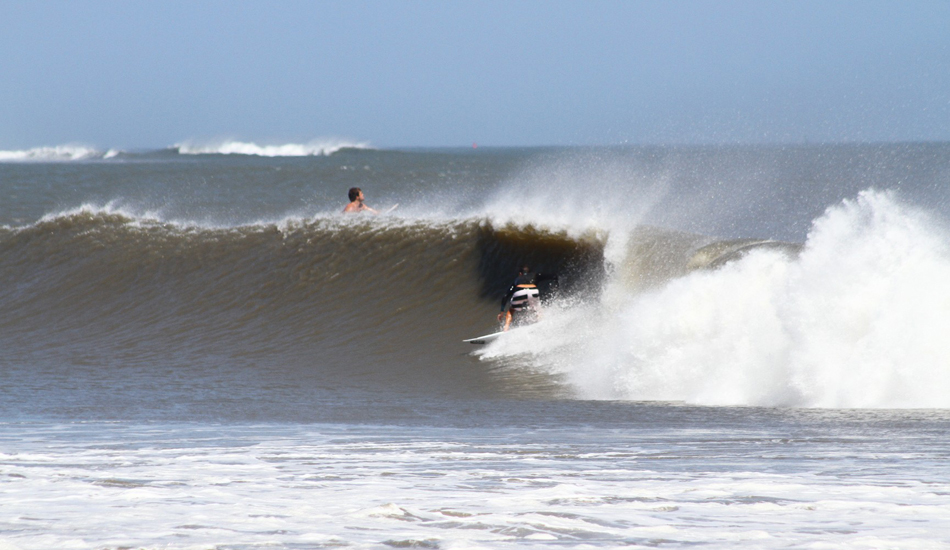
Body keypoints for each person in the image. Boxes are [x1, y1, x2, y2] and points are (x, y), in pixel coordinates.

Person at [497, 265, 542, 331]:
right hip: (533, 291)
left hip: (520, 291)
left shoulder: (518, 279)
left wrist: (501, 312)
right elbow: (552, 276)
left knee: (511, 310)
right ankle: (541, 322)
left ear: (520, 273)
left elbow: (505, 296)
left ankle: (506, 328)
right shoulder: (535, 275)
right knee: (538, 308)